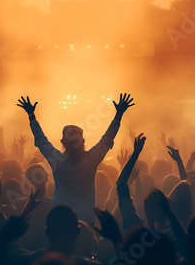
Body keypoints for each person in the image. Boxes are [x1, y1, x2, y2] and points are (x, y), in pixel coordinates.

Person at [17, 93, 134, 224]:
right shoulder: (91, 159)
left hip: (60, 218)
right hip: (87, 219)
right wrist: (119, 114)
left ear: (62, 141)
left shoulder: (56, 160)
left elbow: (41, 139)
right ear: (83, 141)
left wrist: (31, 116)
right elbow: (107, 138)